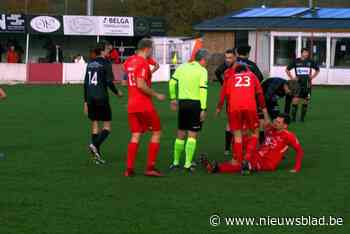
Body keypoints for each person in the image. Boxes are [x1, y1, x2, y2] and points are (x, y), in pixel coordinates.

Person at [201, 114, 304, 174]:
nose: (275, 123)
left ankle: (216, 168)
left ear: (285, 126)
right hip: (258, 154)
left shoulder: (288, 136)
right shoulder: (271, 130)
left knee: (243, 165)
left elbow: (299, 151)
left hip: (267, 163)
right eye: (275, 121)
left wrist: (296, 168)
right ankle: (219, 165)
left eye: (279, 122)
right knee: (240, 159)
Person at [123, 38, 166, 177]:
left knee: (135, 135)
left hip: (131, 105)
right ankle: (150, 167)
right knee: (157, 132)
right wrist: (156, 94)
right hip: (143, 104)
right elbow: (141, 85)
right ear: (147, 49)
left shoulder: (129, 61)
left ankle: (129, 169)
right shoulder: (142, 63)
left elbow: (127, 81)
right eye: (151, 49)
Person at [216, 64, 268, 174]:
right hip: (250, 106)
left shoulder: (231, 78)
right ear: (246, 71)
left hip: (234, 108)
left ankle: (238, 160)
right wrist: (265, 112)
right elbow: (260, 95)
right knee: (254, 133)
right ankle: (247, 160)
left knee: (237, 135)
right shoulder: (252, 75)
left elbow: (224, 95)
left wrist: (219, 108)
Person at [168, 49, 209, 172]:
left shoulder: (182, 67)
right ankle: (187, 164)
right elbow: (203, 90)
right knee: (192, 135)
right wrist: (203, 108)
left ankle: (175, 163)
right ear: (203, 60)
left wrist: (173, 98)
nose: (207, 63)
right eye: (207, 61)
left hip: (183, 103)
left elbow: (171, 83)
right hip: (195, 104)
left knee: (180, 133)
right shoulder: (202, 71)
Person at [83, 42, 123, 164]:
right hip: (101, 97)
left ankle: (97, 156)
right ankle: (93, 144)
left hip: (90, 97)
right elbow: (109, 82)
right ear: (103, 50)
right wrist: (117, 93)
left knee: (95, 123)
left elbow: (85, 83)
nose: (109, 52)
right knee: (107, 127)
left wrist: (85, 101)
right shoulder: (106, 63)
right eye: (108, 50)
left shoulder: (90, 63)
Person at [286, 48, 320, 122]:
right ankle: (293, 118)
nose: (306, 54)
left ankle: (302, 118)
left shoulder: (310, 62)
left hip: (307, 85)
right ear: (301, 53)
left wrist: (312, 77)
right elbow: (287, 70)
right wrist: (292, 78)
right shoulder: (296, 61)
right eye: (305, 52)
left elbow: (317, 70)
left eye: (307, 53)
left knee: (306, 101)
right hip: (297, 84)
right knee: (295, 100)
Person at [214, 48, 237, 156]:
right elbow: (217, 72)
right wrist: (223, 83)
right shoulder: (226, 69)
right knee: (230, 123)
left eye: (230, 58)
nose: (227, 60)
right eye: (226, 58)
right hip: (231, 100)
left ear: (235, 58)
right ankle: (227, 148)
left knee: (241, 125)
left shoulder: (242, 68)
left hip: (242, 99)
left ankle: (238, 147)